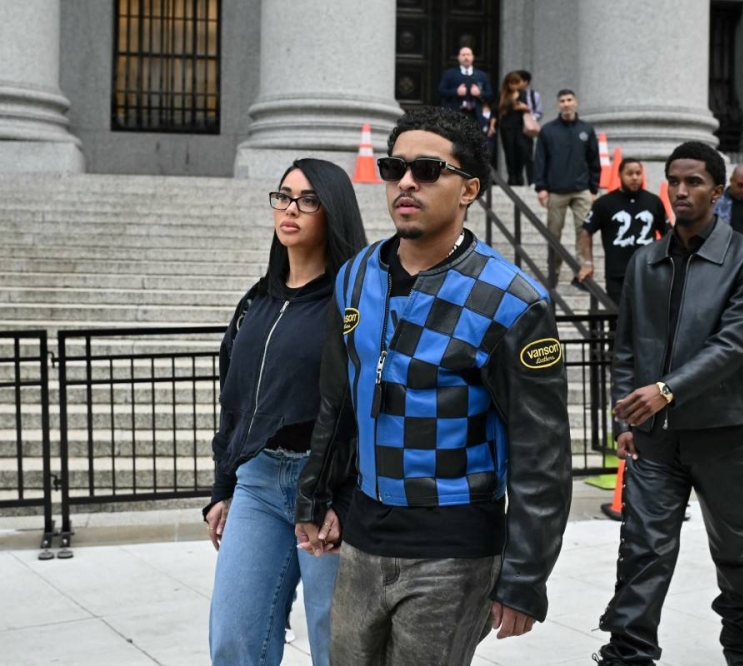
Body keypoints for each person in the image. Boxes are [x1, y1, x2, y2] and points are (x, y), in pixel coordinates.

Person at [294, 106, 573, 666]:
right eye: (394, 167)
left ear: (469, 188)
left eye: (426, 170)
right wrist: (315, 495)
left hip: (454, 548)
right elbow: (338, 399)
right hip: (363, 534)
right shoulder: (354, 275)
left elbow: (542, 453)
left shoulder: (512, 300)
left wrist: (523, 578)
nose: (405, 182)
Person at [595, 141, 743, 666]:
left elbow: (733, 345)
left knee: (735, 550)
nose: (681, 190)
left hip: (723, 432)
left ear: (717, 191)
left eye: (694, 181)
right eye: (674, 180)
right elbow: (625, 345)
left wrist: (666, 390)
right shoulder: (645, 260)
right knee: (643, 550)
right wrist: (623, 414)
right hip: (655, 436)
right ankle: (628, 654)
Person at [205, 158, 368, 666]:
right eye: (282, 196)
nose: (290, 209)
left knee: (332, 643)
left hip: (322, 484)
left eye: (307, 199)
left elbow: (361, 407)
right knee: (234, 638)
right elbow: (234, 404)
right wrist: (222, 487)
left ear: (332, 211)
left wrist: (342, 495)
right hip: (255, 481)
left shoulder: (353, 303)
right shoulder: (256, 302)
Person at [576, 158, 668, 305]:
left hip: (648, 272)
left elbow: (667, 233)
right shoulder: (604, 203)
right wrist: (587, 262)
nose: (635, 178)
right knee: (617, 318)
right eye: (629, 173)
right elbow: (586, 232)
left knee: (647, 317)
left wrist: (665, 261)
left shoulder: (653, 201)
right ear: (619, 175)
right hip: (617, 274)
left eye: (638, 173)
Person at [534, 89, 601, 288]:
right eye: (562, 100)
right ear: (558, 104)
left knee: (584, 232)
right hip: (556, 190)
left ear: (576, 103)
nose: (566, 103)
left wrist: (594, 188)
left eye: (569, 100)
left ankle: (583, 273)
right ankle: (553, 273)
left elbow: (594, 160)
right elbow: (540, 160)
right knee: (553, 232)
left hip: (582, 190)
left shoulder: (586, 130)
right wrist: (541, 188)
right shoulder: (548, 130)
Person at [496, 71, 533, 186]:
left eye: (516, 83)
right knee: (509, 152)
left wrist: (524, 108)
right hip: (507, 127)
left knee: (521, 152)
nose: (513, 86)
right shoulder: (503, 94)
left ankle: (519, 175)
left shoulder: (524, 94)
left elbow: (530, 108)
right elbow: (498, 109)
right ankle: (512, 177)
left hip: (521, 127)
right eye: (511, 83)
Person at [438, 46, 493, 117]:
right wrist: (456, 92)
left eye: (468, 55)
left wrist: (479, 93)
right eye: (463, 55)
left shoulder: (481, 75)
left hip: (476, 114)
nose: (466, 57)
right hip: (455, 113)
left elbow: (490, 94)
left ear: (472, 57)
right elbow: (441, 91)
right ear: (458, 57)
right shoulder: (449, 74)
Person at [517, 69, 543, 185]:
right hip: (515, 128)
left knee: (529, 155)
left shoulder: (534, 95)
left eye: (519, 81)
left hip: (529, 129)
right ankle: (517, 180)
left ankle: (531, 181)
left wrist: (531, 118)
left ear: (526, 82)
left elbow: (539, 112)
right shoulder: (513, 95)